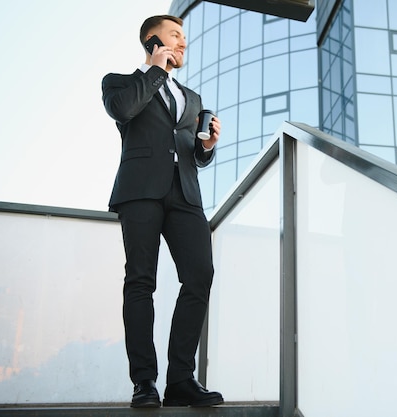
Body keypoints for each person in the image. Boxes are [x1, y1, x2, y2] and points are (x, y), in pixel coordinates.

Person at [101, 15, 223, 408]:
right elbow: (123, 111)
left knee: (200, 275)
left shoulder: (193, 99)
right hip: (140, 191)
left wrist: (206, 148)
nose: (183, 43)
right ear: (152, 40)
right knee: (141, 282)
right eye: (175, 35)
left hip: (185, 195)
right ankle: (144, 382)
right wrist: (154, 70)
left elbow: (193, 153)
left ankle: (181, 379)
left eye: (184, 37)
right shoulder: (119, 83)